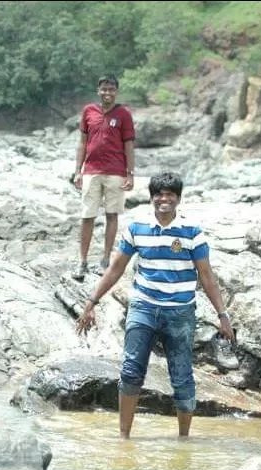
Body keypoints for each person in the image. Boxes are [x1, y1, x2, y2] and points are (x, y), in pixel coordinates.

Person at [75, 171, 236, 439]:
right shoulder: (137, 228)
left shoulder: (192, 232)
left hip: (181, 312)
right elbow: (115, 269)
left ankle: (184, 441)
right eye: (159, 194)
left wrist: (223, 315)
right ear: (152, 198)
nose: (164, 199)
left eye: (170, 195)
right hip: (143, 308)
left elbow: (207, 277)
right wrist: (91, 301)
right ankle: (123, 439)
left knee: (182, 377)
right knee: (130, 371)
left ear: (178, 199)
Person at [71, 75, 136, 281]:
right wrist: (78, 171)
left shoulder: (124, 114)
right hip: (91, 170)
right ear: (98, 91)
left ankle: (105, 260)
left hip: (116, 171)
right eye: (104, 89)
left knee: (111, 215)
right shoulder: (89, 111)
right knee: (87, 215)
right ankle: (82, 261)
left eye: (111, 89)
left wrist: (130, 173)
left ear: (116, 91)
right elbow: (82, 142)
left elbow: (129, 145)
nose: (107, 93)